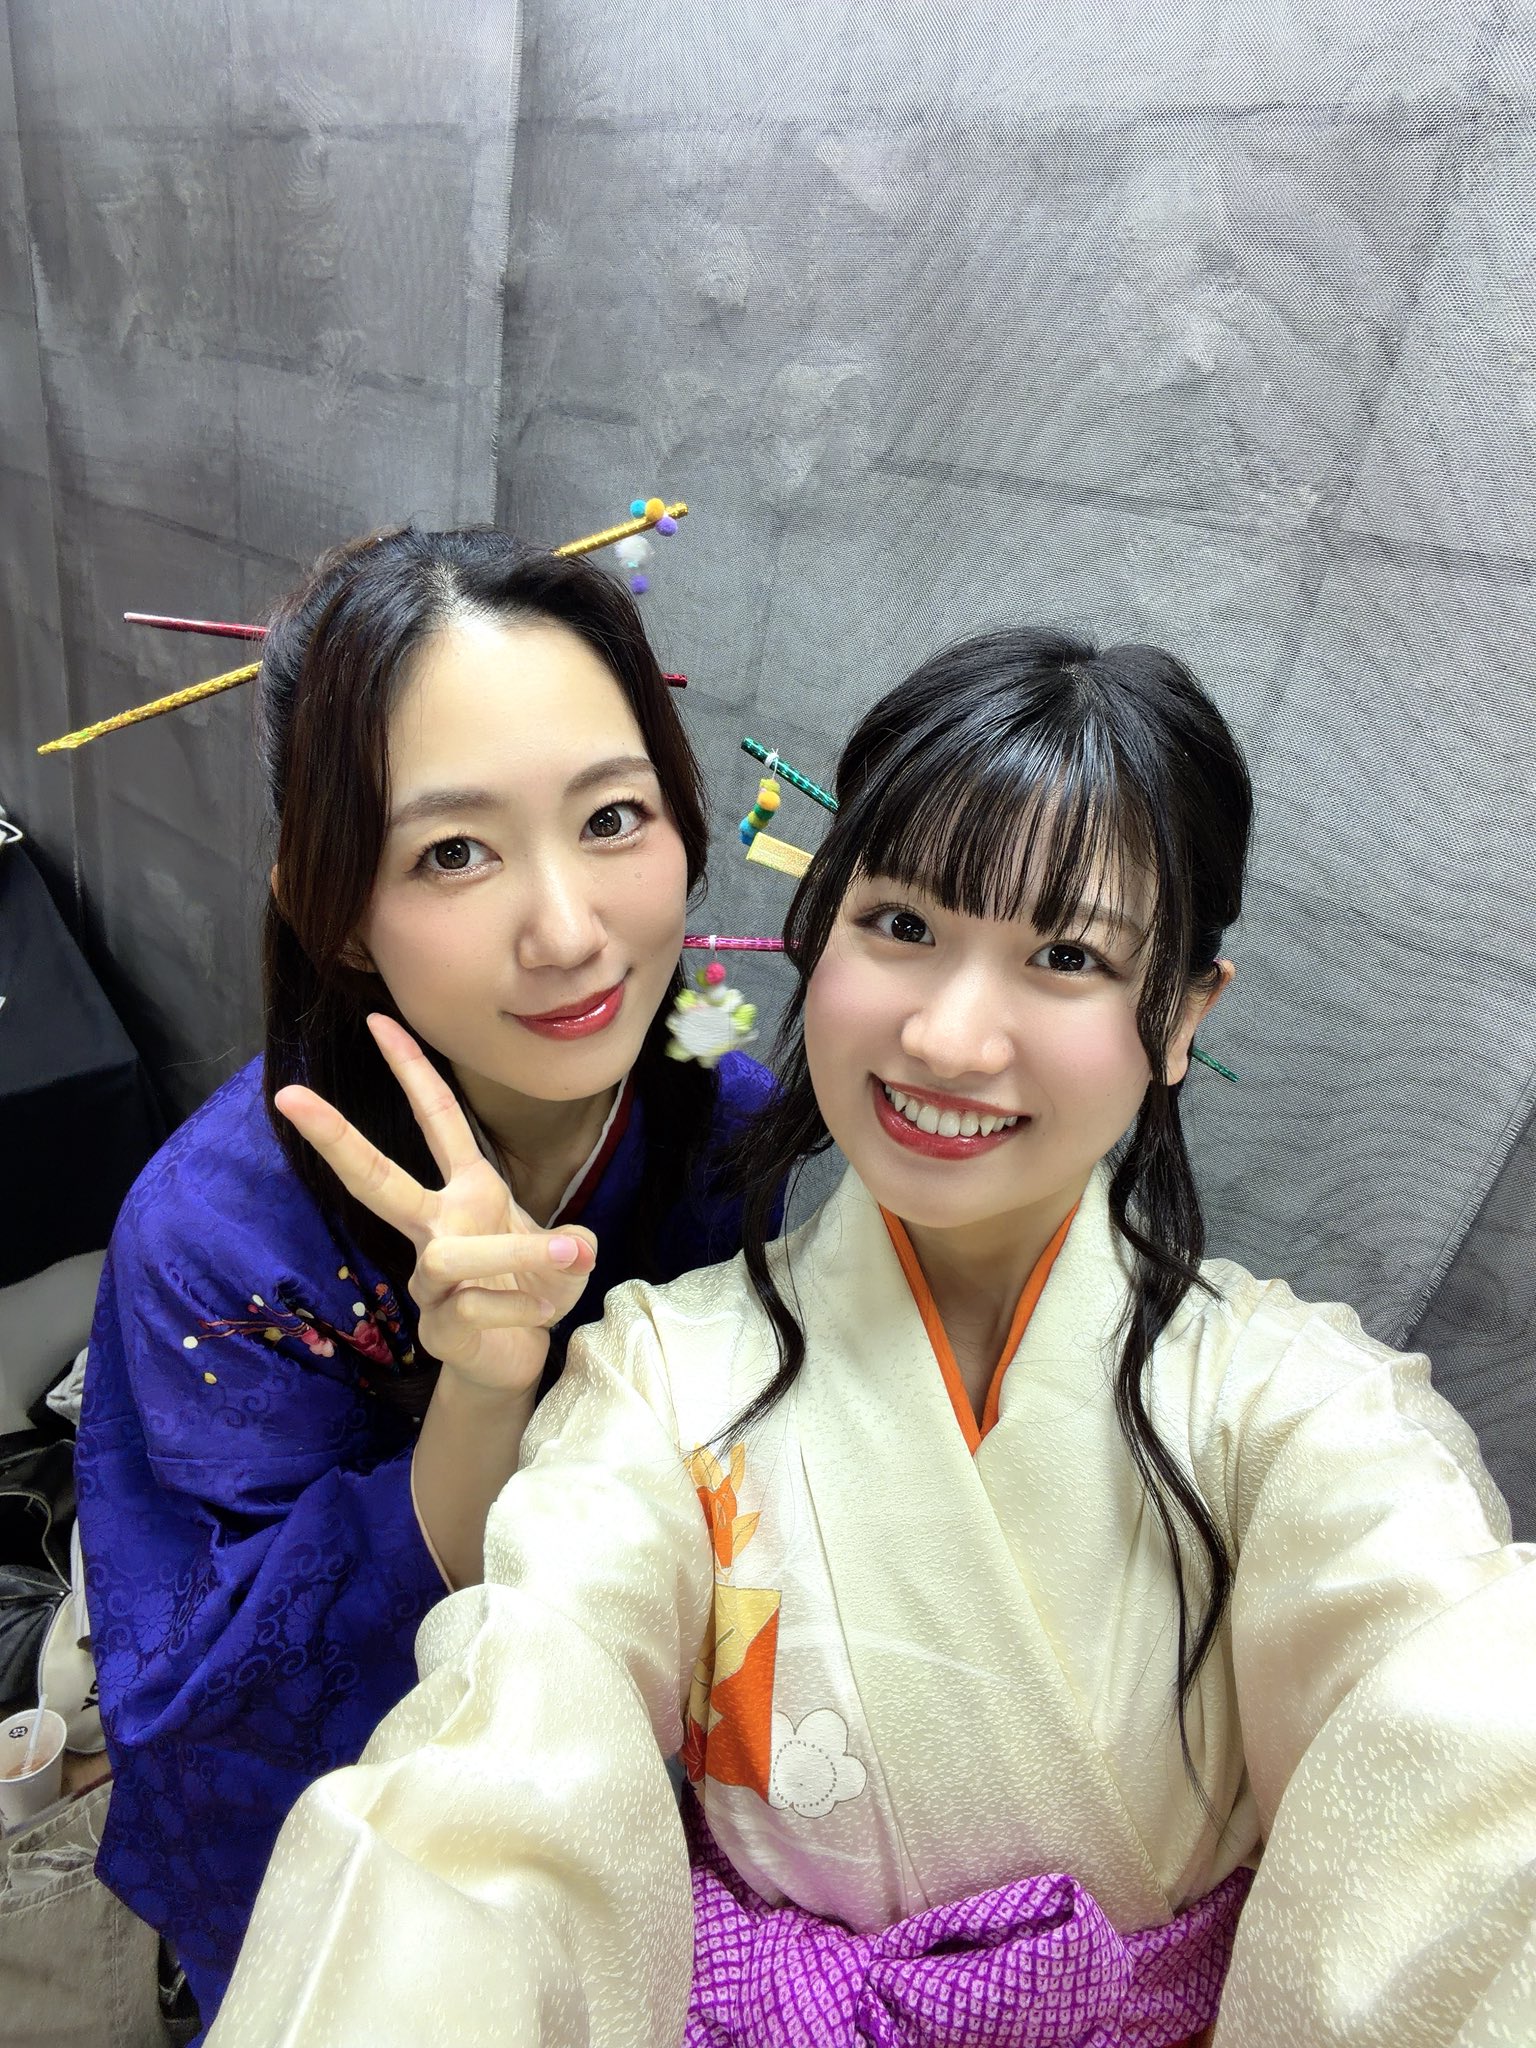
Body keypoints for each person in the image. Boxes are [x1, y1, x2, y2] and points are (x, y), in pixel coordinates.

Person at [207, 628, 1534, 2048]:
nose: (952, 1038)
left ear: (1181, 1017)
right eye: (901, 925)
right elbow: (513, 1742)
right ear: (818, 926)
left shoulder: (1300, 1412)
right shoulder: (659, 1378)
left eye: (1067, 956)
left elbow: (1468, 1758)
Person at [73, 527, 778, 2028]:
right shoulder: (215, 1242)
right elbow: (214, 1711)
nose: (569, 932)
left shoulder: (725, 1114)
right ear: (334, 909)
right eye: (453, 851)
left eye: (613, 816)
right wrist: (481, 1395)